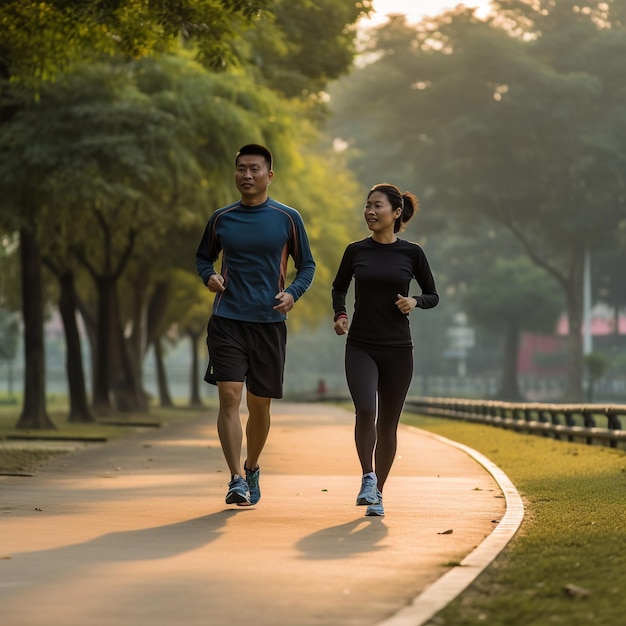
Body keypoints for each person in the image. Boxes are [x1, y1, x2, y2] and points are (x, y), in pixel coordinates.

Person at [196, 143, 315, 506]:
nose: (247, 175)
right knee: (230, 397)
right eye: (241, 169)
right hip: (228, 319)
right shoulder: (221, 218)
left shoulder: (287, 217)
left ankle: (251, 467)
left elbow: (306, 265)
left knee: (259, 405)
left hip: (269, 322)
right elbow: (204, 257)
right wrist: (209, 277)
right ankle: (235, 478)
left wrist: (293, 293)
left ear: (269, 175)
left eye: (254, 169)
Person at [331, 183, 439, 517]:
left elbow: (433, 295)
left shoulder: (412, 253)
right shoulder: (355, 251)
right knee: (366, 410)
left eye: (377, 206)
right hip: (361, 344)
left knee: (388, 423)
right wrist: (340, 314)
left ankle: (377, 493)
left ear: (396, 213)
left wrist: (414, 301)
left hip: (398, 349)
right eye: (367, 206)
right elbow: (339, 287)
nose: (370, 212)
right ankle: (367, 477)